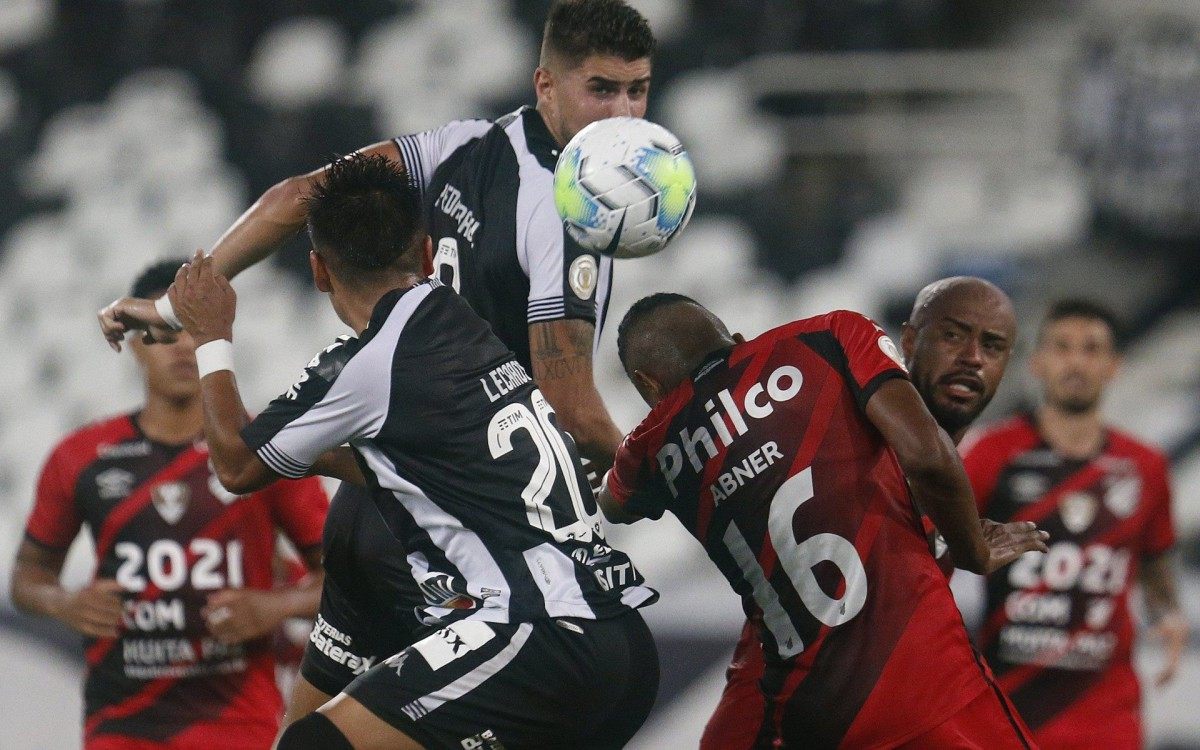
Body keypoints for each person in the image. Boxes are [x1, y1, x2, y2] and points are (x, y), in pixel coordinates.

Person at [167, 154, 659, 750]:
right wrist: (319, 455)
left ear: (319, 271)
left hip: (538, 634)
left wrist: (211, 340)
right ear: (427, 254)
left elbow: (236, 466)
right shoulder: (458, 321)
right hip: (616, 638)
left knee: (310, 746)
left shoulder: (369, 363)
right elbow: (429, 471)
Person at [98, 0, 656, 476]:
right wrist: (646, 477)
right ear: (547, 85)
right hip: (479, 498)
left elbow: (298, 195)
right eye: (602, 90)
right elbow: (574, 415)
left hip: (405, 463)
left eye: (638, 91)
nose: (624, 113)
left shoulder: (468, 142)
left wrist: (171, 307)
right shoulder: (569, 213)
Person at [600, 292, 1048, 749]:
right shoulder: (826, 338)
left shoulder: (647, 452)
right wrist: (975, 548)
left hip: (809, 716)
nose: (972, 356)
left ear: (649, 387)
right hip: (928, 689)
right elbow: (929, 457)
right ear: (737, 340)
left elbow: (612, 500)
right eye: (953, 336)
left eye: (991, 346)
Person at [10, 260, 330, 750]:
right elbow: (26, 580)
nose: (182, 347)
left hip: (239, 725)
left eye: (191, 330)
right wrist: (67, 602)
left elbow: (347, 577)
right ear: (134, 345)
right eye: (164, 331)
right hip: (123, 723)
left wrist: (274, 607)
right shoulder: (81, 457)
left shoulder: (265, 450)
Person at [962, 299, 1188, 750]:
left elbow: (1155, 557)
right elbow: (933, 553)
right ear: (1037, 363)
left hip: (1106, 719)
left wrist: (1167, 614)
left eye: (1091, 349)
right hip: (1008, 710)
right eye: (1063, 348)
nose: (1077, 362)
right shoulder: (991, 455)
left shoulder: (1143, 467)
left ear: (1114, 366)